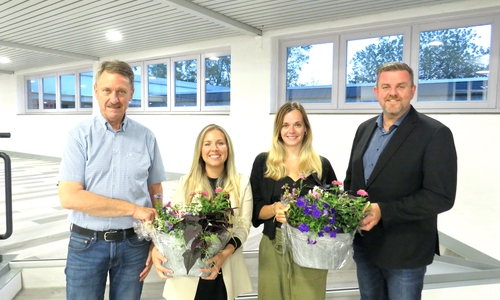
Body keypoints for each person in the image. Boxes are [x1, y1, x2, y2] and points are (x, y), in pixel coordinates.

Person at [344, 62, 457, 300]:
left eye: (400, 86)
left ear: (412, 90)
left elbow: (440, 196)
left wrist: (383, 211)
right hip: (365, 247)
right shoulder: (363, 130)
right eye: (386, 86)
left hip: (406, 252)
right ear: (376, 91)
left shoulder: (434, 134)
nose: (392, 92)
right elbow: (351, 182)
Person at [58, 60, 167, 300]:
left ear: (131, 94)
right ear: (96, 91)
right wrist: (133, 209)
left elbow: (155, 190)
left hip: (134, 245)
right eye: (107, 90)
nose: (114, 99)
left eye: (121, 91)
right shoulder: (79, 136)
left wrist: (156, 240)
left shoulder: (146, 137)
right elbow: (70, 196)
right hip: (86, 244)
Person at [151, 124, 253, 300]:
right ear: (200, 150)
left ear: (228, 148)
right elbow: (174, 225)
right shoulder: (186, 182)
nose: (214, 148)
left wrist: (223, 254)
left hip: (224, 269)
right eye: (207, 144)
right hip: (190, 272)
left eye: (220, 143)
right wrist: (156, 248)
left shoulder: (241, 182)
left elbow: (243, 228)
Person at [250, 102, 337, 300]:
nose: (291, 130)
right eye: (285, 125)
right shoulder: (263, 163)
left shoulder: (321, 166)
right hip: (274, 245)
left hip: (312, 247)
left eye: (297, 124)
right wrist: (273, 209)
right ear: (278, 130)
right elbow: (254, 210)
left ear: (306, 128)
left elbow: (334, 210)